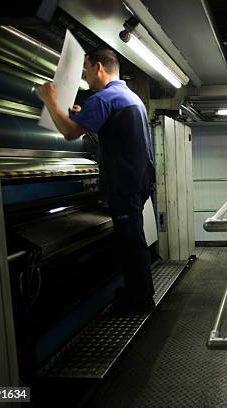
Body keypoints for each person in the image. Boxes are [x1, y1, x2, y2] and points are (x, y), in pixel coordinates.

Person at [36, 47, 156, 314]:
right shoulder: (128, 96)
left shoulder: (103, 99)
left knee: (131, 242)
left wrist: (49, 100)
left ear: (98, 67)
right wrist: (82, 112)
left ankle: (141, 301)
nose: (86, 75)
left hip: (124, 183)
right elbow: (109, 127)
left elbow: (69, 132)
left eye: (86, 69)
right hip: (139, 180)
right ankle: (138, 293)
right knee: (132, 239)